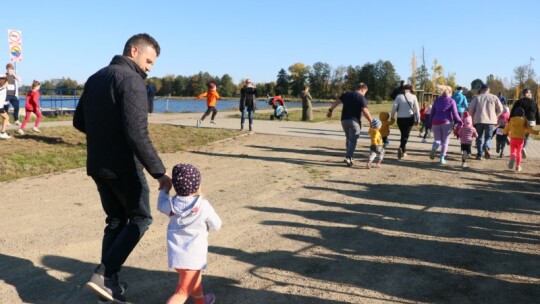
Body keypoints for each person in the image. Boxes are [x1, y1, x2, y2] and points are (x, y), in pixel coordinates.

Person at [73, 33, 173, 303]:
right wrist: (159, 172)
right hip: (124, 167)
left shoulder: (96, 78)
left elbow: (79, 121)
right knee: (141, 218)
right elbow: (136, 132)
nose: (150, 67)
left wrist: (104, 131)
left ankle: (109, 282)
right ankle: (105, 274)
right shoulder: (131, 80)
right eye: (149, 60)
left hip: (98, 165)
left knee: (116, 220)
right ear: (134, 50)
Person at [157, 164, 221, 304]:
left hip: (177, 257)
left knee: (194, 280)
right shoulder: (203, 206)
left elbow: (160, 204)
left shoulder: (171, 205)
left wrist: (165, 190)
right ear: (197, 185)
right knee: (181, 293)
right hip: (194, 257)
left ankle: (201, 301)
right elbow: (217, 225)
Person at [327, 82, 372, 167]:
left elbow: (336, 102)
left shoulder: (346, 94)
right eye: (365, 92)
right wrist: (371, 121)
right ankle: (348, 157)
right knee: (353, 140)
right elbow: (365, 111)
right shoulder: (361, 98)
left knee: (348, 138)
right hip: (354, 122)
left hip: (344, 121)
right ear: (363, 89)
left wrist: (330, 110)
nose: (365, 94)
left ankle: (349, 156)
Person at [468, 84, 503, 160]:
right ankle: (486, 146)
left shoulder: (477, 98)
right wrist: (495, 115)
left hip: (479, 120)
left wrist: (473, 117)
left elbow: (470, 109)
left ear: (481, 90)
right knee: (488, 136)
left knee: (479, 137)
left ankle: (479, 154)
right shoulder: (494, 97)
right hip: (490, 121)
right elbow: (500, 109)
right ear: (489, 89)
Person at [429, 86, 462, 164]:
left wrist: (431, 121)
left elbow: (432, 112)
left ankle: (434, 147)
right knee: (445, 142)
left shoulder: (436, 100)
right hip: (446, 123)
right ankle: (442, 158)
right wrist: (460, 121)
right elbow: (455, 114)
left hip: (435, 122)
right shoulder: (451, 101)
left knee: (437, 139)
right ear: (450, 93)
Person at [503, 107, 540, 172]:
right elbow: (529, 130)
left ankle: (512, 157)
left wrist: (503, 132)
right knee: (519, 152)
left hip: (512, 139)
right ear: (523, 114)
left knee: (512, 151)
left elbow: (506, 129)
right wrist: (537, 132)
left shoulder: (511, 120)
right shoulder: (524, 121)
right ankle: (518, 166)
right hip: (520, 140)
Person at [390, 84, 420, 159]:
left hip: (400, 118)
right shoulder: (413, 96)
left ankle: (404, 151)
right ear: (411, 89)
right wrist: (418, 120)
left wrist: (392, 117)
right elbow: (417, 109)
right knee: (405, 135)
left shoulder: (398, 96)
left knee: (403, 134)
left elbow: (394, 107)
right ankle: (401, 148)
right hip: (409, 118)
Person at [509, 88, 540, 159]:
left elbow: (513, 111)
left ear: (523, 94)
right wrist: (538, 121)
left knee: (520, 135)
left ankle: (519, 149)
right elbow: (537, 112)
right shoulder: (533, 102)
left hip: (520, 120)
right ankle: (523, 147)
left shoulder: (519, 101)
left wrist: (510, 120)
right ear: (530, 94)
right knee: (526, 136)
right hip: (531, 120)